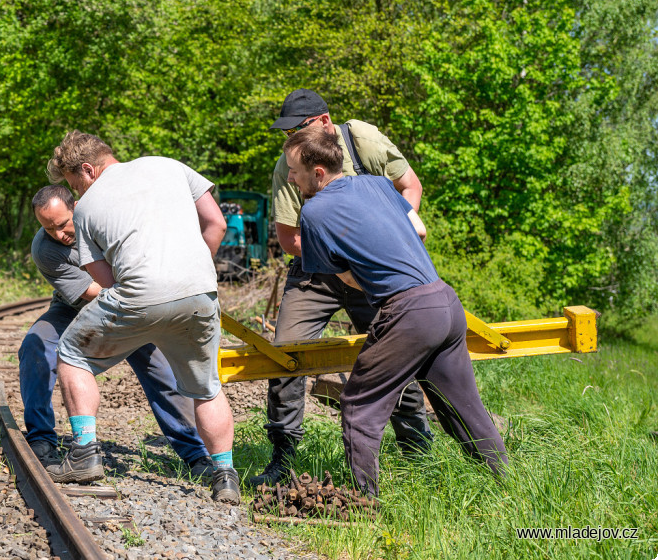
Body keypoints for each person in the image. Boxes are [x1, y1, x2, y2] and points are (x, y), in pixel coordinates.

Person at [283, 125, 508, 495]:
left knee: (358, 406)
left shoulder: (315, 212)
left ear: (318, 173)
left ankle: (365, 504)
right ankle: (507, 486)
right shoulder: (376, 184)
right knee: (465, 408)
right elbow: (418, 229)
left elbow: (349, 281)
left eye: (294, 171)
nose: (290, 177)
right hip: (445, 302)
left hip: (408, 312)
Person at [44, 130, 241, 504]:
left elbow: (104, 280)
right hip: (200, 293)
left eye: (75, 184)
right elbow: (216, 223)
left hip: (139, 295)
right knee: (206, 386)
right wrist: (190, 275)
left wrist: (150, 296)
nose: (78, 193)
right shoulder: (170, 166)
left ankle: (84, 453)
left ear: (88, 169)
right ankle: (226, 476)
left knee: (71, 353)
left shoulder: (87, 207)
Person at [251, 88, 433, 487]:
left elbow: (410, 187)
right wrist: (338, 264)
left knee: (396, 353)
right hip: (317, 269)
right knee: (286, 354)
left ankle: (417, 452)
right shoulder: (289, 164)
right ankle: (282, 456)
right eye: (286, 132)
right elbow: (288, 239)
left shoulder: (362, 139)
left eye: (299, 128)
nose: (290, 139)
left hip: (372, 270)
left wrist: (387, 241)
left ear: (325, 122)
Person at [19, 184, 214, 479]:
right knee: (36, 344)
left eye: (62, 224)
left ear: (77, 209)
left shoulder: (106, 219)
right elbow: (94, 292)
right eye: (49, 229)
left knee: (162, 371)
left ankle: (196, 454)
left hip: (135, 307)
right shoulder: (45, 249)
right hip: (77, 309)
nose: (59, 235)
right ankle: (41, 438)